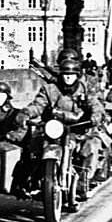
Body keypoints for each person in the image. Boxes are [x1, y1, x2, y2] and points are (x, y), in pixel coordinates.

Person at [22, 50, 105, 198]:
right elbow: (38, 104)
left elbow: (96, 105)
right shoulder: (50, 89)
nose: (68, 77)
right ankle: (33, 179)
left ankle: (83, 181)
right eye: (65, 74)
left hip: (79, 129)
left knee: (92, 146)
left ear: (77, 75)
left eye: (72, 74)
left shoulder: (85, 89)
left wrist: (95, 117)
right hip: (55, 128)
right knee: (33, 145)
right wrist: (26, 112)